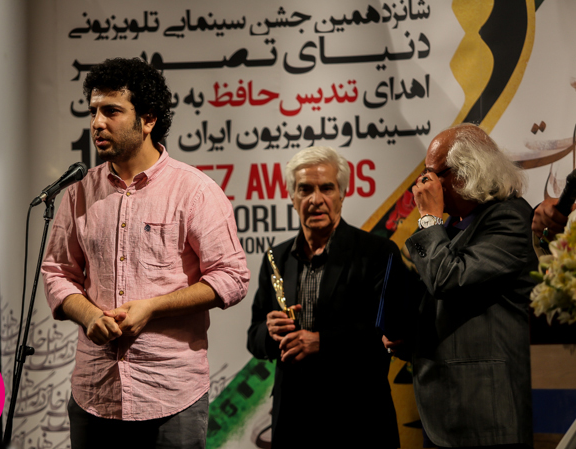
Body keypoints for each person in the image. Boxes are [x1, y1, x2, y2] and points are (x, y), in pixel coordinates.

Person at [41, 58, 249, 449]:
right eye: (93, 112)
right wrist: (88, 315)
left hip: (170, 394)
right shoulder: (78, 193)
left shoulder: (195, 191)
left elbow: (232, 277)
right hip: (94, 393)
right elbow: (56, 271)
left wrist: (152, 308)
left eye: (111, 111)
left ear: (148, 119)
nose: (97, 123)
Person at [391, 123, 536, 448]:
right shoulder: (453, 226)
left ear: (466, 172)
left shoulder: (509, 219)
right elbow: (453, 307)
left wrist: (429, 219)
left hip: (486, 415)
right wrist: (410, 337)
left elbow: (448, 279)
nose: (423, 184)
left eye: (432, 174)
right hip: (446, 410)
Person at [247, 146, 401, 448]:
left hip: (359, 420)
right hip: (293, 422)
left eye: (326, 188)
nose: (315, 199)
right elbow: (254, 337)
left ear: (342, 194)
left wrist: (322, 342)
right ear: (292, 197)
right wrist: (269, 332)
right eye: (305, 189)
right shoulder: (276, 258)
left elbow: (389, 334)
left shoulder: (378, 253)